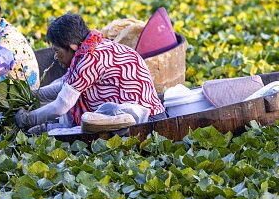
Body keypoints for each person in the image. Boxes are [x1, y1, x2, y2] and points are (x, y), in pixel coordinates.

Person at [15, 13, 166, 132]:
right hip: (152, 114)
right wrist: (32, 95)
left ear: (72, 47)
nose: (55, 56)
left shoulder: (90, 59)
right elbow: (64, 86)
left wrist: (29, 119)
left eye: (57, 51)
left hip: (146, 121)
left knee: (80, 124)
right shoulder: (94, 46)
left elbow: (62, 105)